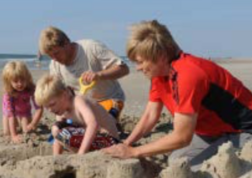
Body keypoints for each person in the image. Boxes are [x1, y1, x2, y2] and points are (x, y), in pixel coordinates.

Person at [104, 20, 252, 168]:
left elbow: (182, 137)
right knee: (176, 161)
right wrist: (126, 144)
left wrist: (134, 152)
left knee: (194, 169)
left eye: (141, 62)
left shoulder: (188, 75)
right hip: (211, 133)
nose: (138, 68)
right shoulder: (158, 74)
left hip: (243, 131)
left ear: (160, 56)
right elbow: (150, 115)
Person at [39, 26, 129, 119]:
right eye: (50, 56)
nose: (55, 59)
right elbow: (58, 94)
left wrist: (99, 75)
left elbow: (124, 69)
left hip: (109, 99)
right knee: (62, 126)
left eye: (56, 53)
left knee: (104, 125)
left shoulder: (91, 48)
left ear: (66, 43)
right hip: (82, 104)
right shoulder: (54, 65)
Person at [35, 74, 120, 155]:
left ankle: (82, 153)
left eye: (52, 104)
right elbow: (57, 137)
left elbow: (93, 124)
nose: (50, 110)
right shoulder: (61, 111)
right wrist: (56, 156)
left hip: (110, 141)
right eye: (46, 107)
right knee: (56, 129)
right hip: (96, 139)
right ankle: (82, 152)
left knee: (62, 132)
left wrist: (81, 154)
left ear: (64, 95)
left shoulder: (78, 101)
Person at [1, 61, 43, 143]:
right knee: (7, 132)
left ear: (27, 78)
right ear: (9, 81)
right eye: (16, 81)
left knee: (27, 131)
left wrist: (33, 124)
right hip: (9, 113)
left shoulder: (31, 88)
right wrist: (14, 136)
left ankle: (22, 122)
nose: (20, 84)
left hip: (24, 111)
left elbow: (39, 108)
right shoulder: (8, 93)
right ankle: (14, 126)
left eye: (23, 80)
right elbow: (11, 115)